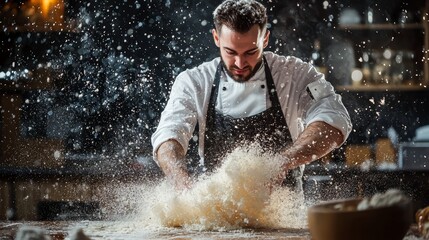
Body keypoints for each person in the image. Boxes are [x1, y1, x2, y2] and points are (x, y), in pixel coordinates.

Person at [151, 0, 352, 192]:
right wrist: (182, 183)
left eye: (250, 52)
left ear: (265, 39)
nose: (240, 63)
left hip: (284, 220)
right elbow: (169, 136)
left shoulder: (296, 75)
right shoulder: (193, 82)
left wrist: (283, 161)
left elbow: (333, 118)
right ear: (216, 38)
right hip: (215, 220)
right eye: (230, 52)